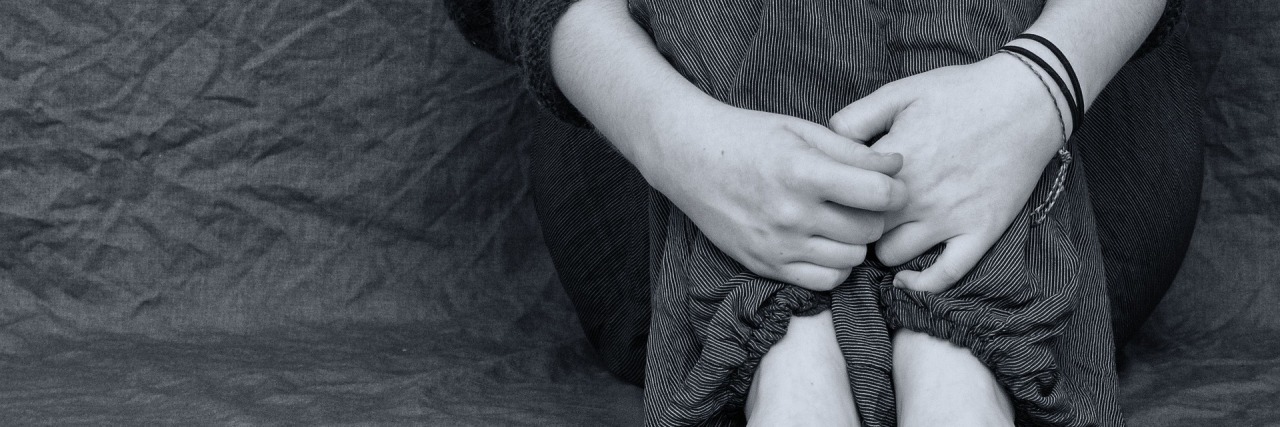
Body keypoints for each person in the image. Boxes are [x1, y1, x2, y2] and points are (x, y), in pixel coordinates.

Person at [446, 0, 1202, 425]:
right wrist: (680, 139)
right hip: (656, 145)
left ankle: (949, 361)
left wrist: (1041, 84)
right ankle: (801, 347)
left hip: (1069, 110)